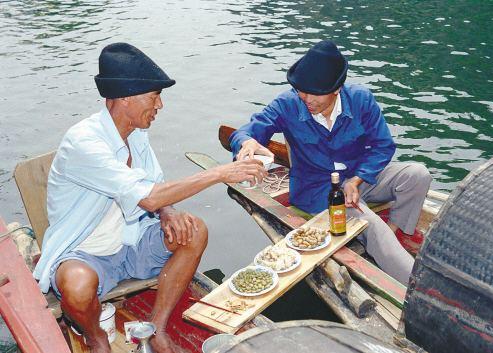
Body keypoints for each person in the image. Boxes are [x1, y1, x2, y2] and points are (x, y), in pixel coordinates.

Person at [33, 43, 266, 353]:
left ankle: (156, 326)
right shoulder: (84, 143)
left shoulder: (136, 134)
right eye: (154, 96)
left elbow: (156, 188)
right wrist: (220, 173)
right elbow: (148, 198)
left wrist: (168, 210)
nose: (159, 105)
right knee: (76, 286)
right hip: (85, 251)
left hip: (131, 240)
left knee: (194, 230)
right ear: (126, 98)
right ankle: (96, 337)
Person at [229, 40, 432, 285]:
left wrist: (356, 181)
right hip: (319, 190)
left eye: (314, 93)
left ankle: (394, 235)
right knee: (367, 222)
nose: (306, 98)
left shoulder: (361, 100)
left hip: (358, 177)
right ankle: (418, 287)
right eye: (301, 90)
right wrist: (246, 142)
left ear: (337, 89)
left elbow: (382, 146)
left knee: (417, 175)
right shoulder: (288, 104)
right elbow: (247, 130)